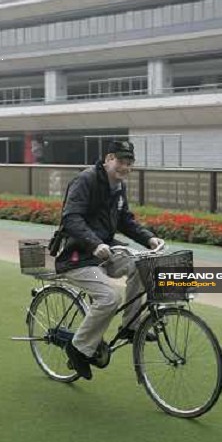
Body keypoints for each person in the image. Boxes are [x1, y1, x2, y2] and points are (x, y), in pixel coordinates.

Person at [55, 140, 164, 380]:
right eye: (120, 160)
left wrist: (149, 239)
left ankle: (130, 327)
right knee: (110, 297)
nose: (125, 166)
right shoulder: (86, 180)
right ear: (108, 159)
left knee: (141, 264)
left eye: (129, 162)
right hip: (78, 256)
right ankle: (78, 348)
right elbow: (71, 218)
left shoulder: (118, 187)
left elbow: (126, 220)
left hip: (106, 251)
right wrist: (95, 244)